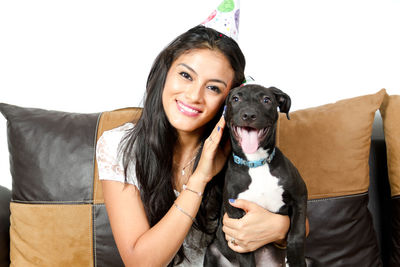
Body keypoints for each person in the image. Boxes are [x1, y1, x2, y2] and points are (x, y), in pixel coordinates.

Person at [96, 25, 291, 267]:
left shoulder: (240, 145)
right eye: (186, 75)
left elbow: (295, 212)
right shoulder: (118, 146)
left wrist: (280, 227)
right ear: (164, 72)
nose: (194, 96)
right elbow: (141, 263)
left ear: (229, 100)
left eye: (213, 88)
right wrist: (200, 177)